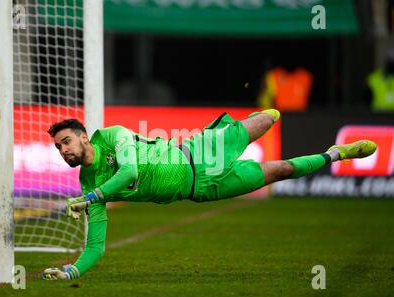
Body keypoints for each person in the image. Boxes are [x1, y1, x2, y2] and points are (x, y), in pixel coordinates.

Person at [42, 109, 377, 280]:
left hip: (201, 151)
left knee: (266, 120)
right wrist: (72, 270)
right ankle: (336, 154)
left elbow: (129, 172)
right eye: (58, 147)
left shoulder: (112, 136)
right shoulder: (89, 185)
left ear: (84, 136)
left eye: (66, 141)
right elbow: (96, 245)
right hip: (202, 189)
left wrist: (93, 197)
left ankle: (250, 121)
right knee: (281, 171)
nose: (63, 150)